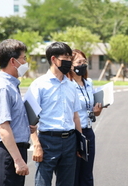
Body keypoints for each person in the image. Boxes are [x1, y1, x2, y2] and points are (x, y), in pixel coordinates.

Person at [29, 42, 82, 186]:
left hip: (70, 141)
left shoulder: (71, 86)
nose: (69, 62)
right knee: (42, 183)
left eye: (70, 58)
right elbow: (30, 119)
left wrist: (80, 142)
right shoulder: (39, 85)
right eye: (66, 58)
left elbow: (75, 116)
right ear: (54, 59)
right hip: (47, 141)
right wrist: (36, 145)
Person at [0, 39, 35, 186]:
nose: (26, 63)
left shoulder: (11, 85)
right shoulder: (3, 88)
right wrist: (18, 160)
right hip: (7, 155)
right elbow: (3, 128)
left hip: (14, 151)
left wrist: (25, 126)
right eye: (24, 58)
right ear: (13, 61)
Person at [67, 49, 104, 186]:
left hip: (88, 132)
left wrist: (96, 111)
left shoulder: (89, 83)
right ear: (70, 65)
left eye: (84, 62)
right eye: (78, 62)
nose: (82, 65)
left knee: (87, 174)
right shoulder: (68, 85)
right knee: (74, 173)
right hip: (75, 133)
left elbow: (92, 110)